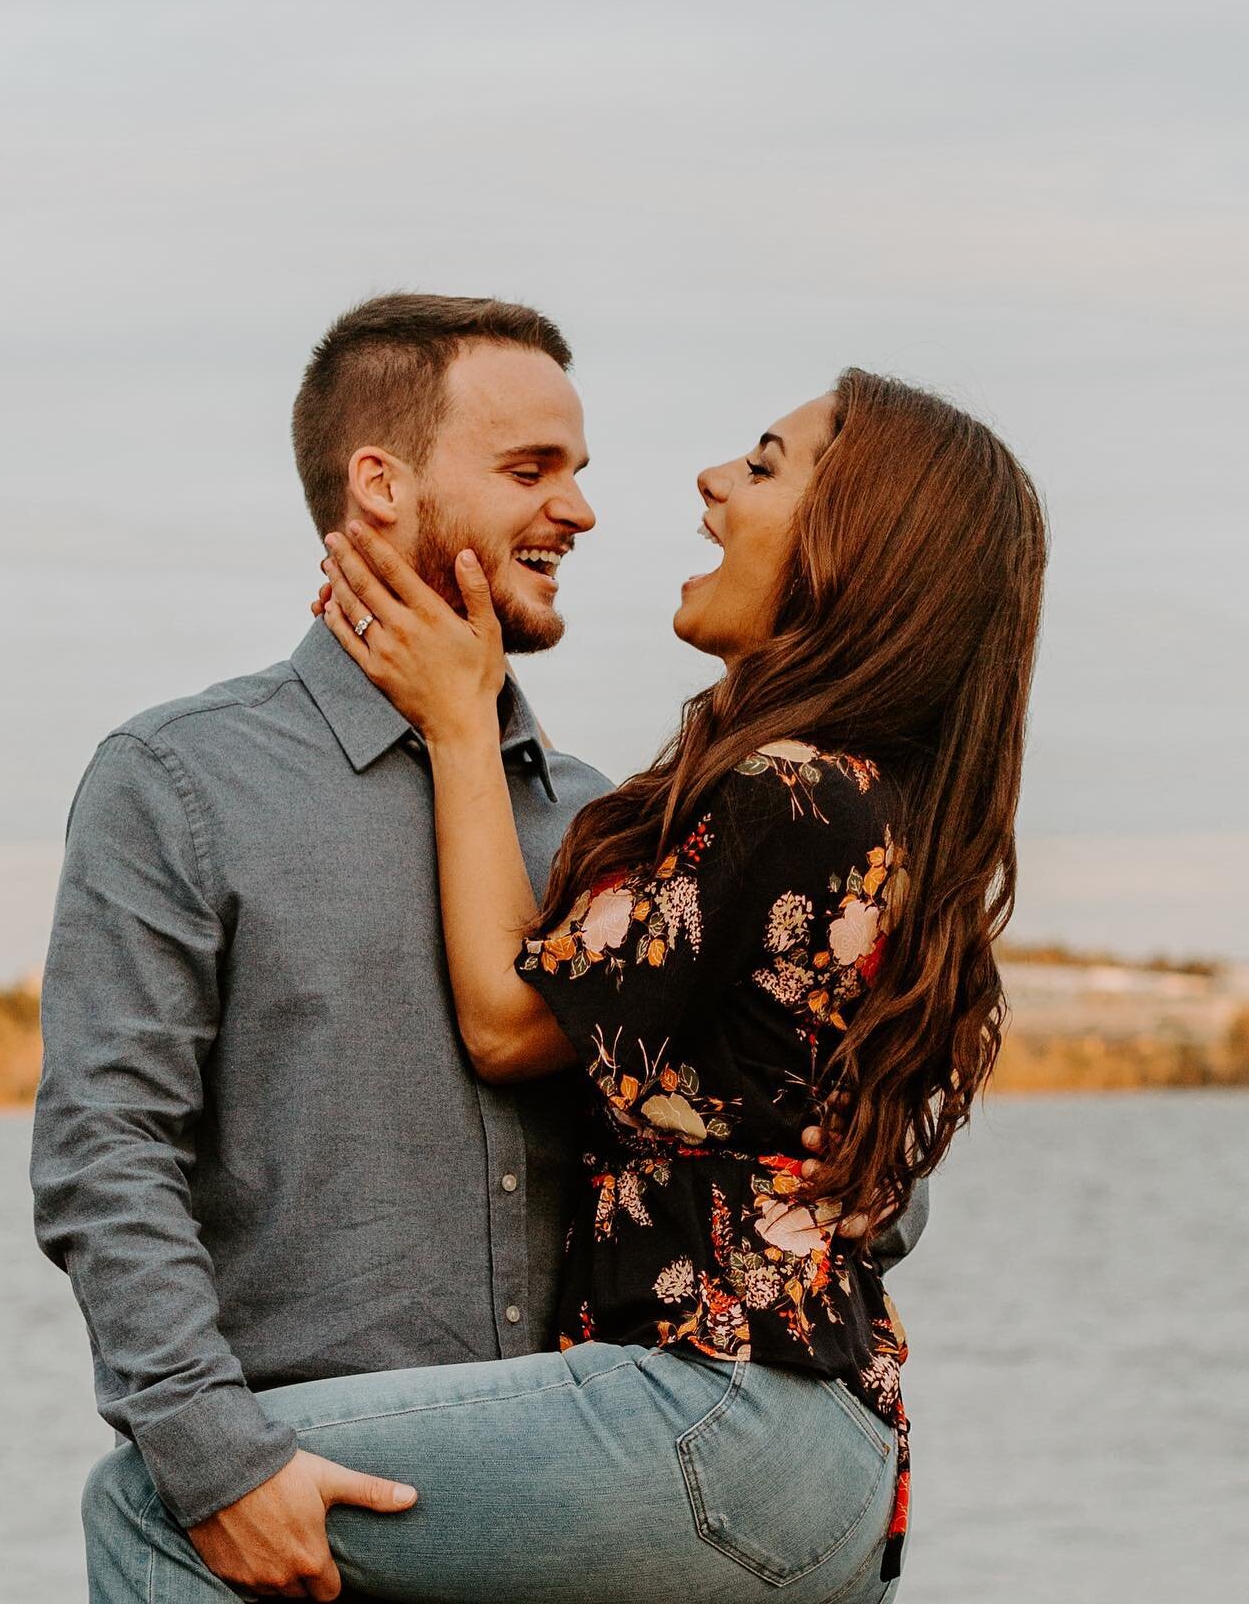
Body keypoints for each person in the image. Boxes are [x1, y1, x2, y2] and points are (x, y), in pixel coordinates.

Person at [78, 366, 1038, 1602]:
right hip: (819, 1444)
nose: (630, 499)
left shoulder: (759, 794)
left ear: (854, 541)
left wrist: (462, 727)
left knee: (171, 1496)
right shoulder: (856, 803)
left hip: (722, 1421)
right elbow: (870, 1194)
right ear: (380, 485)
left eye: (762, 462)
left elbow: (508, 1024)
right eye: (532, 471)